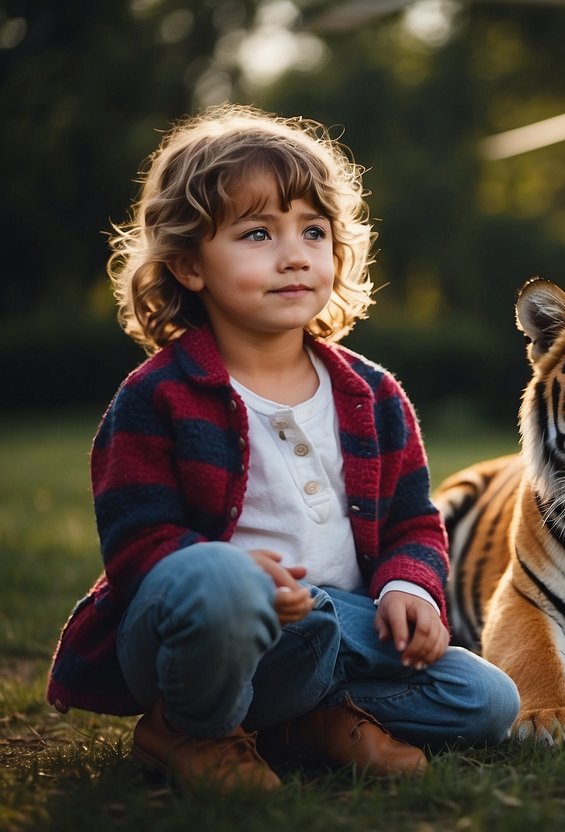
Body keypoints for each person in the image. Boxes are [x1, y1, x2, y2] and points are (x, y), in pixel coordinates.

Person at [46, 104, 519, 791]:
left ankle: (308, 719)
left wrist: (404, 584)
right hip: (213, 632)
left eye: (313, 232)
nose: (294, 254)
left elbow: (415, 522)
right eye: (259, 233)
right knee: (223, 581)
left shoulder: (374, 394)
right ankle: (189, 726)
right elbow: (136, 546)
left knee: (489, 699)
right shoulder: (159, 397)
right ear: (188, 265)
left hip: (341, 631)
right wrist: (238, 580)